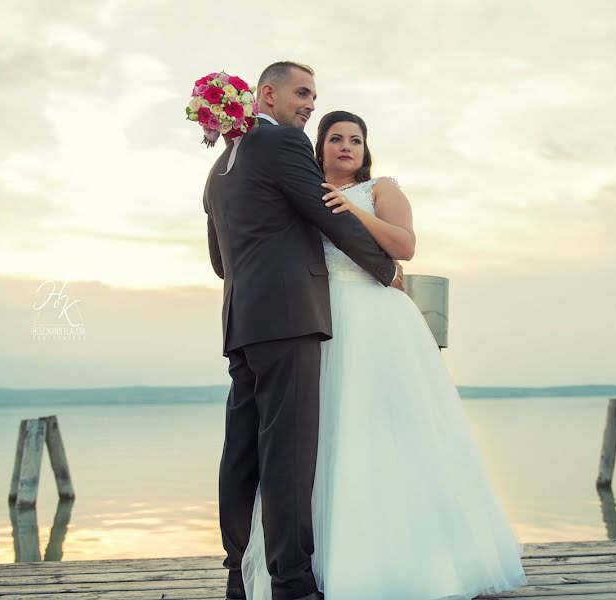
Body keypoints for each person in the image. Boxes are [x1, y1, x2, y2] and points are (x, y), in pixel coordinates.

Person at [241, 111, 527, 600]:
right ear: (319, 146)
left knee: (394, 431)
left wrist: (354, 212)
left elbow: (406, 247)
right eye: (335, 138)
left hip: (378, 322)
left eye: (355, 139)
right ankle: (327, 563)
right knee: (327, 437)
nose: (346, 147)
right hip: (320, 322)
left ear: (365, 148)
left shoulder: (380, 189)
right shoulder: (301, 192)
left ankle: (422, 561)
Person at [203, 64, 400, 600]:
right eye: (303, 92)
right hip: (289, 317)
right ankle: (291, 581)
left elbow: (221, 262)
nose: (311, 104)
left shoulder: (218, 170)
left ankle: (237, 573)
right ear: (268, 93)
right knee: (288, 452)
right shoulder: (283, 142)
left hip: (242, 320)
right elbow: (327, 214)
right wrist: (388, 272)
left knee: (241, 450)